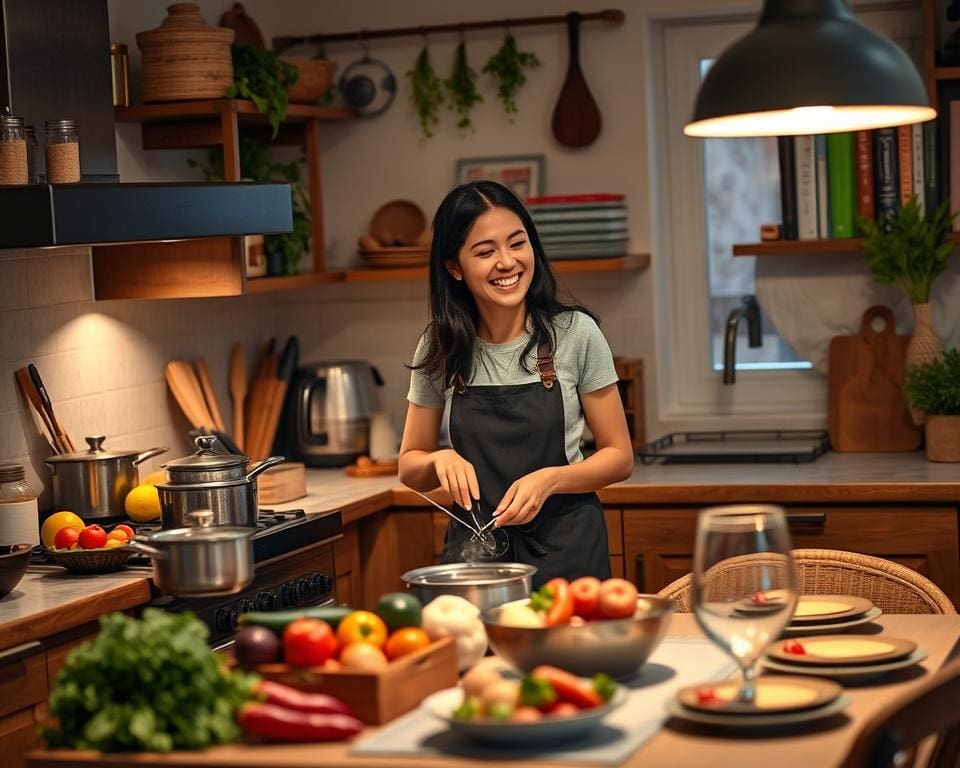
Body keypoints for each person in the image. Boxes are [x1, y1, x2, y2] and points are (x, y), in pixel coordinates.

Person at [398, 180, 634, 586]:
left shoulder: (576, 334)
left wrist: (549, 479)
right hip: (478, 558)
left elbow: (619, 456)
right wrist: (438, 460)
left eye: (517, 243)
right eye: (485, 251)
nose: (507, 262)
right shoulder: (440, 346)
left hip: (568, 555)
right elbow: (409, 465)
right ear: (454, 267)